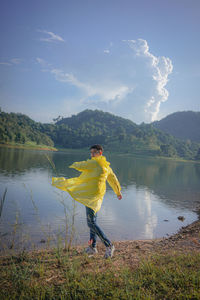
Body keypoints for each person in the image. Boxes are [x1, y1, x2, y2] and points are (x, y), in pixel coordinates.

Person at [52, 144, 122, 258]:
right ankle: (92, 247)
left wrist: (73, 164)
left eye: (94, 152)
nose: (92, 155)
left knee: (91, 223)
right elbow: (113, 179)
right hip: (95, 197)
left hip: (92, 197)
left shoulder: (95, 163)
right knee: (92, 222)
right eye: (91, 153)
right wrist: (118, 192)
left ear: (100, 153)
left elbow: (83, 165)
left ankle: (109, 245)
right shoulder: (106, 166)